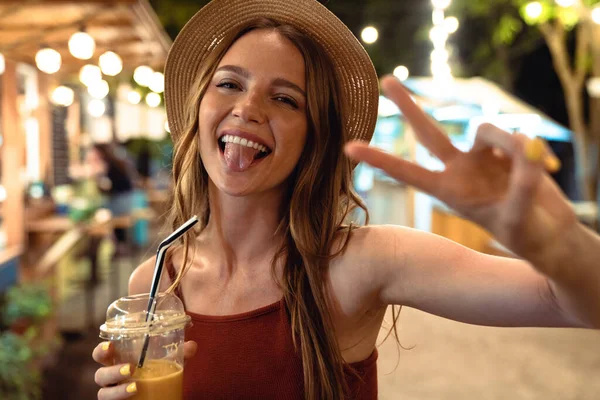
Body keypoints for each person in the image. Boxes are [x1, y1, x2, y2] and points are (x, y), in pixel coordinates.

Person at [92, 0, 600, 399]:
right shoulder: (155, 284)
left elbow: (569, 302)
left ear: (315, 137)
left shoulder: (357, 263)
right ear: (199, 106)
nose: (247, 107)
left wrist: (558, 247)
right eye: (230, 84)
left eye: (285, 98)